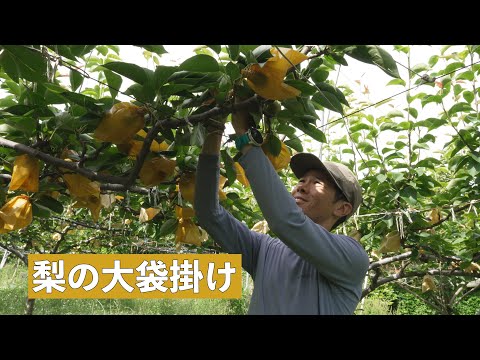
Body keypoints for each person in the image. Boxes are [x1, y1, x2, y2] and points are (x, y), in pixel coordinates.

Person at [194, 103, 370, 315]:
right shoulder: (264, 250)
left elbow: (286, 221)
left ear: (342, 208)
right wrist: (214, 131)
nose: (302, 186)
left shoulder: (352, 257)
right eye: (302, 180)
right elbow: (208, 214)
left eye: (317, 183)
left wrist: (246, 137)